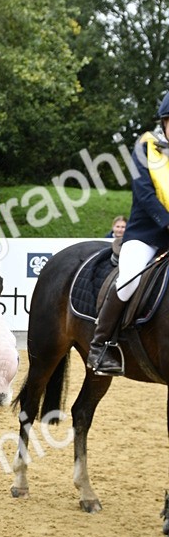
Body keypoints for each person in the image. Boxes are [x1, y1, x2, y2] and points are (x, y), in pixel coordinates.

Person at [88, 93, 169, 375]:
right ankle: (100, 346)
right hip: (147, 233)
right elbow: (144, 194)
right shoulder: (146, 147)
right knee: (129, 281)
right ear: (164, 123)